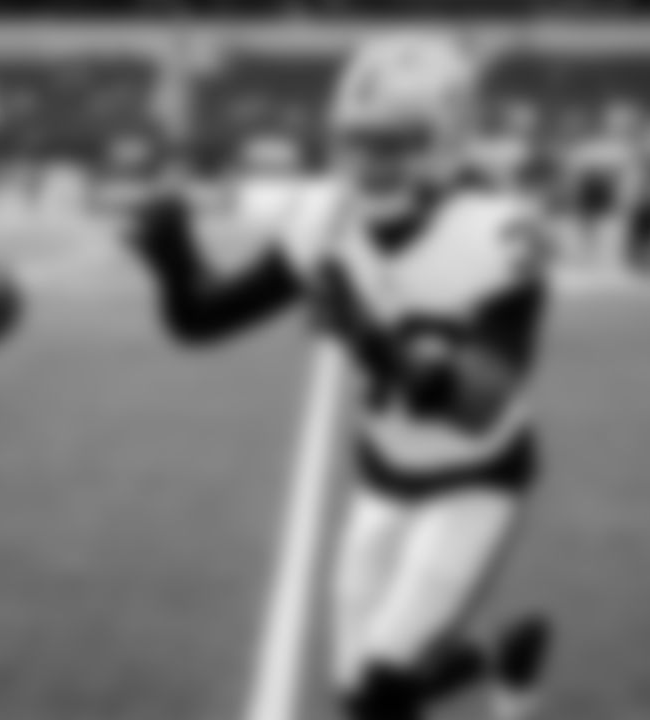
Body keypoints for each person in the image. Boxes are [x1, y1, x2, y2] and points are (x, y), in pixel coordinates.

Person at [125, 34, 553, 720]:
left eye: (397, 142)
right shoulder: (325, 219)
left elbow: (482, 400)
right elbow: (204, 319)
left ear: (449, 142)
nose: (370, 162)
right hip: (383, 478)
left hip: (476, 480)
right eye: (358, 140)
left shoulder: (500, 233)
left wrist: (373, 342)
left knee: (375, 696)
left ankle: (483, 660)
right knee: (361, 692)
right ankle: (499, 655)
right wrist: (171, 258)